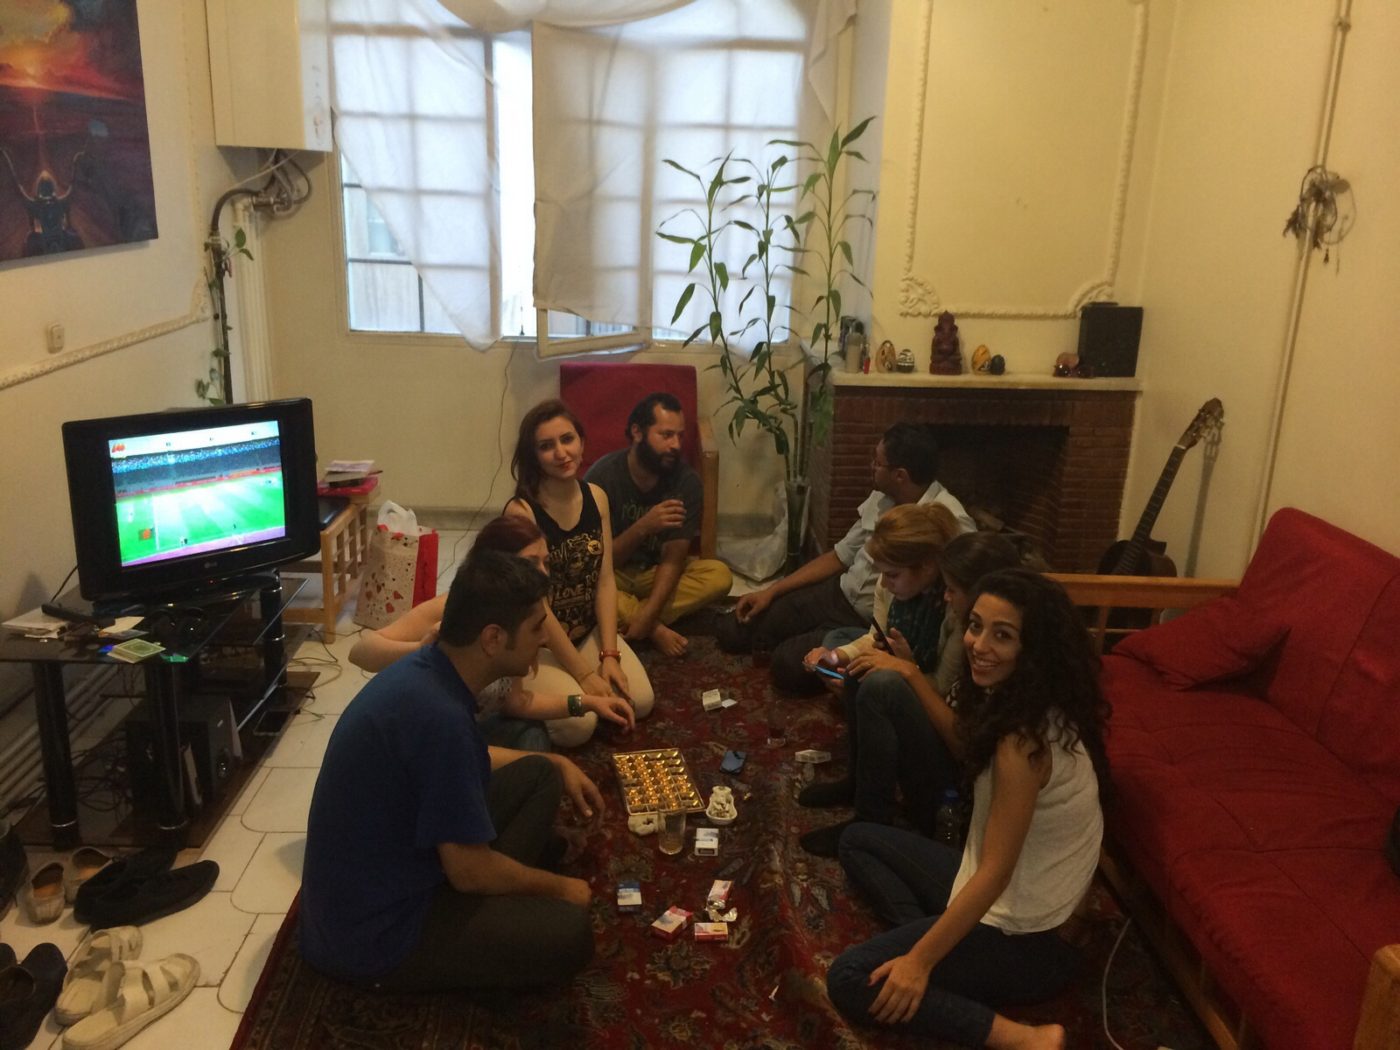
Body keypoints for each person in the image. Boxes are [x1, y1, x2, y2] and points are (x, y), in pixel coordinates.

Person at [825, 568, 1110, 1049]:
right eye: (976, 626)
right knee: (858, 839)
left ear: (1033, 648)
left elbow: (996, 873)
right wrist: (912, 671)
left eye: (1003, 635)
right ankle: (933, 944)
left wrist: (918, 962)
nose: (979, 644)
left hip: (1032, 942)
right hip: (1010, 898)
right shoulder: (1032, 701)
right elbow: (964, 748)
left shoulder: (1023, 742)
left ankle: (1022, 1038)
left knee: (850, 978)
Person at [302, 549, 604, 991]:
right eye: (537, 628)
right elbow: (468, 871)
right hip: (374, 936)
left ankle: (497, 904)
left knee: (541, 774)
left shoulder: (431, 671)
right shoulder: (442, 719)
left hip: (389, 874)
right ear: (493, 638)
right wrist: (560, 890)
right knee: (570, 932)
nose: (544, 640)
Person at [716, 422, 975, 695]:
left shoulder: (952, 523)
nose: (870, 466)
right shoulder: (884, 496)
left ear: (900, 475)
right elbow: (840, 555)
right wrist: (771, 591)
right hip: (837, 592)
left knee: (786, 665)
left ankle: (810, 653)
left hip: (864, 621)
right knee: (734, 629)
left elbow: (953, 599)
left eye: (877, 463)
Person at [348, 515, 635, 750]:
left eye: (545, 562)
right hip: (440, 736)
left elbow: (516, 701)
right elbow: (360, 652)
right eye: (530, 562)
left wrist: (587, 702)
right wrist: (425, 649)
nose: (543, 573)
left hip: (471, 728)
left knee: (533, 737)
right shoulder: (453, 607)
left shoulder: (518, 615)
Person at [795, 503, 964, 856]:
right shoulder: (893, 588)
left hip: (944, 733)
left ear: (929, 567)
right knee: (863, 668)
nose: (883, 583)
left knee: (880, 683)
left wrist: (905, 666)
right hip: (911, 685)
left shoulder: (956, 609)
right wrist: (837, 656)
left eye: (893, 575)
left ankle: (872, 820)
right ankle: (858, 783)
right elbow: (877, 635)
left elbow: (945, 695)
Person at [505, 399, 655, 742]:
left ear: (581, 442)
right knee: (579, 727)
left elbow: (604, 581)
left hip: (586, 631)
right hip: (539, 643)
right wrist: (584, 674)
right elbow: (536, 605)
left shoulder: (597, 497)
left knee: (642, 702)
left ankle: (577, 687)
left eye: (567, 439)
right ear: (533, 456)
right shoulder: (521, 513)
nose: (561, 453)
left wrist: (609, 654)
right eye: (546, 446)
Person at [584, 392, 733, 657]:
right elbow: (597, 562)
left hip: (654, 573)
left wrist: (648, 612)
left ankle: (630, 615)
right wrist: (644, 526)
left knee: (719, 576)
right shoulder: (602, 478)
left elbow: (673, 560)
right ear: (638, 432)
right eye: (666, 435)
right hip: (612, 572)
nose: (676, 445)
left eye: (680, 436)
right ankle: (653, 627)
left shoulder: (686, 482)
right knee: (583, 582)